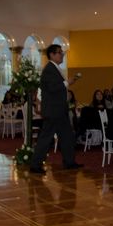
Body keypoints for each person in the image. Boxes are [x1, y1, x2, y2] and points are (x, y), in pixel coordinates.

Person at [30, 44, 82, 173]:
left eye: (62, 52)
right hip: (53, 111)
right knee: (46, 138)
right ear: (52, 55)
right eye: (59, 52)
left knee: (67, 136)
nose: (62, 54)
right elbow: (52, 88)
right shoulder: (49, 69)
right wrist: (67, 83)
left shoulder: (55, 68)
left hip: (59, 110)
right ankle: (35, 165)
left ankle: (69, 162)